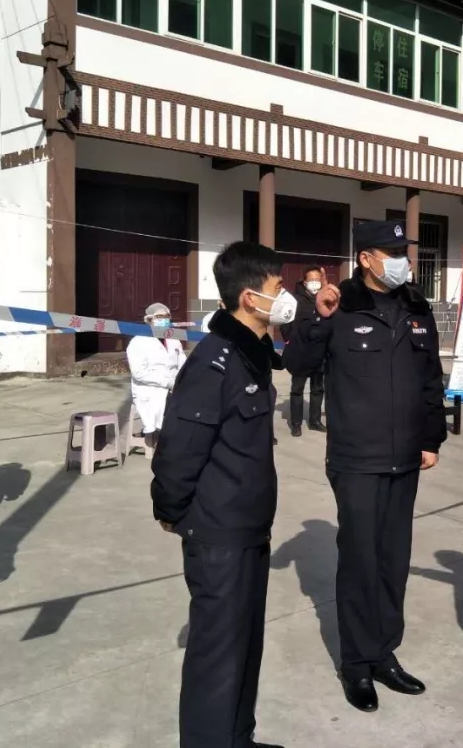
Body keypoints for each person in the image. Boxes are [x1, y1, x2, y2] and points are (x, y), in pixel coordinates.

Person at [283, 220, 447, 714]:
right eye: (391, 253)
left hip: (406, 457)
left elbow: (430, 379)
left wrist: (431, 438)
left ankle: (383, 653)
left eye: (404, 252)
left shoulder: (417, 307)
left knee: (394, 560)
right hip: (356, 458)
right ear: (366, 259)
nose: (402, 261)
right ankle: (356, 663)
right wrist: (318, 317)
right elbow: (297, 364)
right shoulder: (340, 305)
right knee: (360, 560)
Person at [151, 241, 294, 748]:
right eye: (278, 287)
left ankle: (238, 737)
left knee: (245, 644)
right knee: (217, 654)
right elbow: (180, 446)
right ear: (250, 297)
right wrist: (170, 507)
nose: (285, 296)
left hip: (250, 525)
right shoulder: (214, 360)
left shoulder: (253, 354)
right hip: (219, 533)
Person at [126, 302, 187, 458]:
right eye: (159, 317)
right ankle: (165, 443)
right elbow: (139, 373)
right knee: (169, 405)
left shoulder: (174, 340)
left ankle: (181, 443)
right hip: (150, 389)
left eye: (167, 316)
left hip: (174, 386)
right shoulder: (139, 341)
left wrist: (180, 380)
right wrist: (167, 382)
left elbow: (183, 364)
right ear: (149, 320)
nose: (164, 320)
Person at [280, 265, 327, 437]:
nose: (315, 283)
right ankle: (296, 423)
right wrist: (289, 340)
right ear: (305, 282)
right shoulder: (295, 299)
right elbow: (285, 321)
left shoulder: (324, 298)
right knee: (297, 389)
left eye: (317, 279)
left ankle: (315, 421)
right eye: (311, 280)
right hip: (300, 351)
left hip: (319, 351)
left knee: (318, 388)